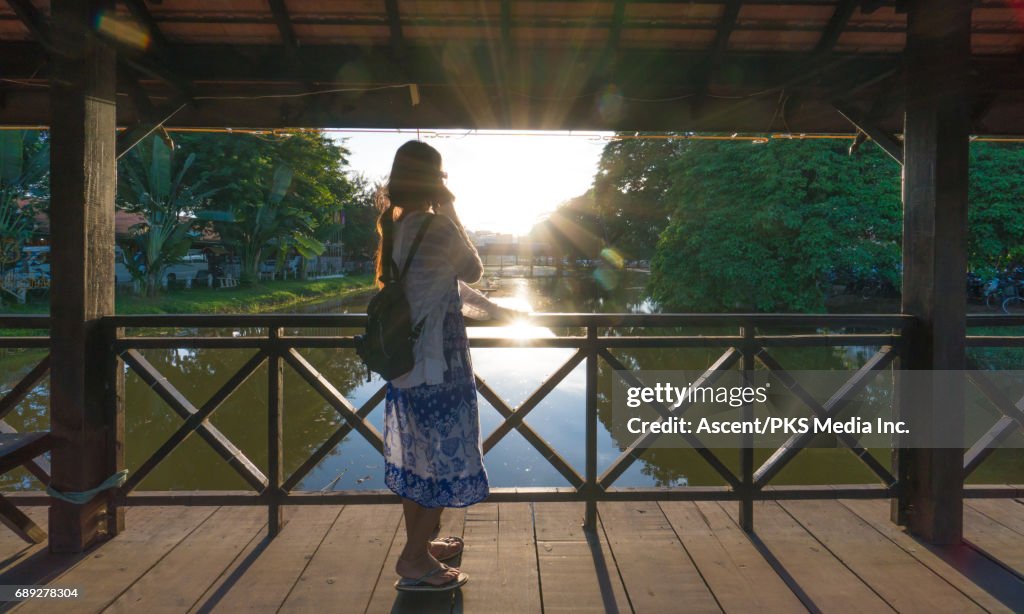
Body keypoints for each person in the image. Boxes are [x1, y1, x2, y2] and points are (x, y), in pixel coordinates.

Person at [375, 140, 510, 592]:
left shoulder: (398, 228)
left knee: (418, 462)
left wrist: (497, 312)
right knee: (438, 463)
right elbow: (470, 270)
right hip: (439, 368)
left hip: (407, 366)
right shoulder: (438, 226)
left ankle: (421, 547)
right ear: (436, 181)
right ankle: (413, 559)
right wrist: (452, 208)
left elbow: (442, 288)